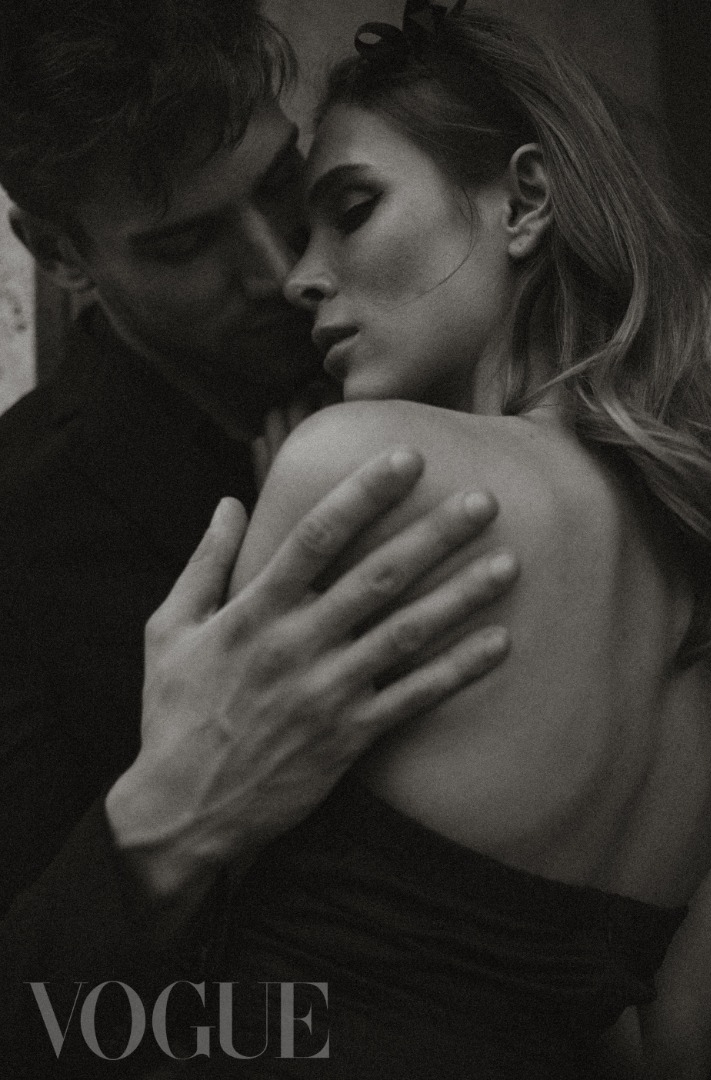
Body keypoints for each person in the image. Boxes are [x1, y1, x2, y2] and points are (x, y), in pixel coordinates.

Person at [189, 1, 711, 1076]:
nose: (300, 276)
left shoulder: (358, 468)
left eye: (351, 209)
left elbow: (190, 926)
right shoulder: (701, 581)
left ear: (525, 201)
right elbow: (668, 1044)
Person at [0, 1, 521, 1071]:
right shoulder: (18, 530)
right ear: (58, 252)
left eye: (285, 183)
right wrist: (164, 827)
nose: (282, 266)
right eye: (185, 242)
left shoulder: (465, 375)